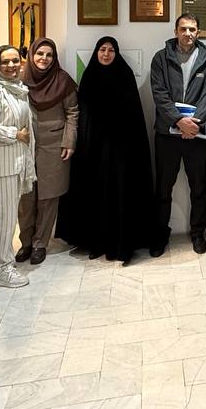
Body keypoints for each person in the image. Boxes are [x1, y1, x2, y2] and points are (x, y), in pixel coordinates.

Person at [57, 37, 154, 263]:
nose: (106, 54)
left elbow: (133, 116)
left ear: (116, 53)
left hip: (122, 151)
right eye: (102, 49)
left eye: (111, 50)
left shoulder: (125, 75)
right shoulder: (89, 76)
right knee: (96, 194)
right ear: (97, 52)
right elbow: (83, 114)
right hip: (95, 150)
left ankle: (119, 242)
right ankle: (96, 242)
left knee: (119, 194)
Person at [148, 13, 206, 256]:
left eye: (192, 29)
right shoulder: (160, 58)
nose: (188, 33)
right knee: (163, 188)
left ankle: (198, 233)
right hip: (166, 135)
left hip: (196, 134)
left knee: (198, 187)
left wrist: (193, 125)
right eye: (183, 29)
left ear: (198, 32)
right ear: (176, 31)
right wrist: (179, 121)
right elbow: (159, 94)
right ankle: (160, 234)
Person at [0, 45, 37, 288]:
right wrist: (16, 134)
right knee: (5, 218)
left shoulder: (18, 88)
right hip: (1, 163)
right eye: (5, 62)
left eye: (15, 61)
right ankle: (3, 268)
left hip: (14, 161)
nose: (11, 66)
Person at [19, 37, 79, 264]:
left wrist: (69, 142)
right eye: (40, 54)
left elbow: (73, 113)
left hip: (54, 145)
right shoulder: (21, 79)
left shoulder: (63, 81)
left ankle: (40, 243)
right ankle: (25, 242)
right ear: (31, 55)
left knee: (48, 197)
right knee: (25, 197)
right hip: (24, 144)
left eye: (49, 55)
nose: (44, 59)